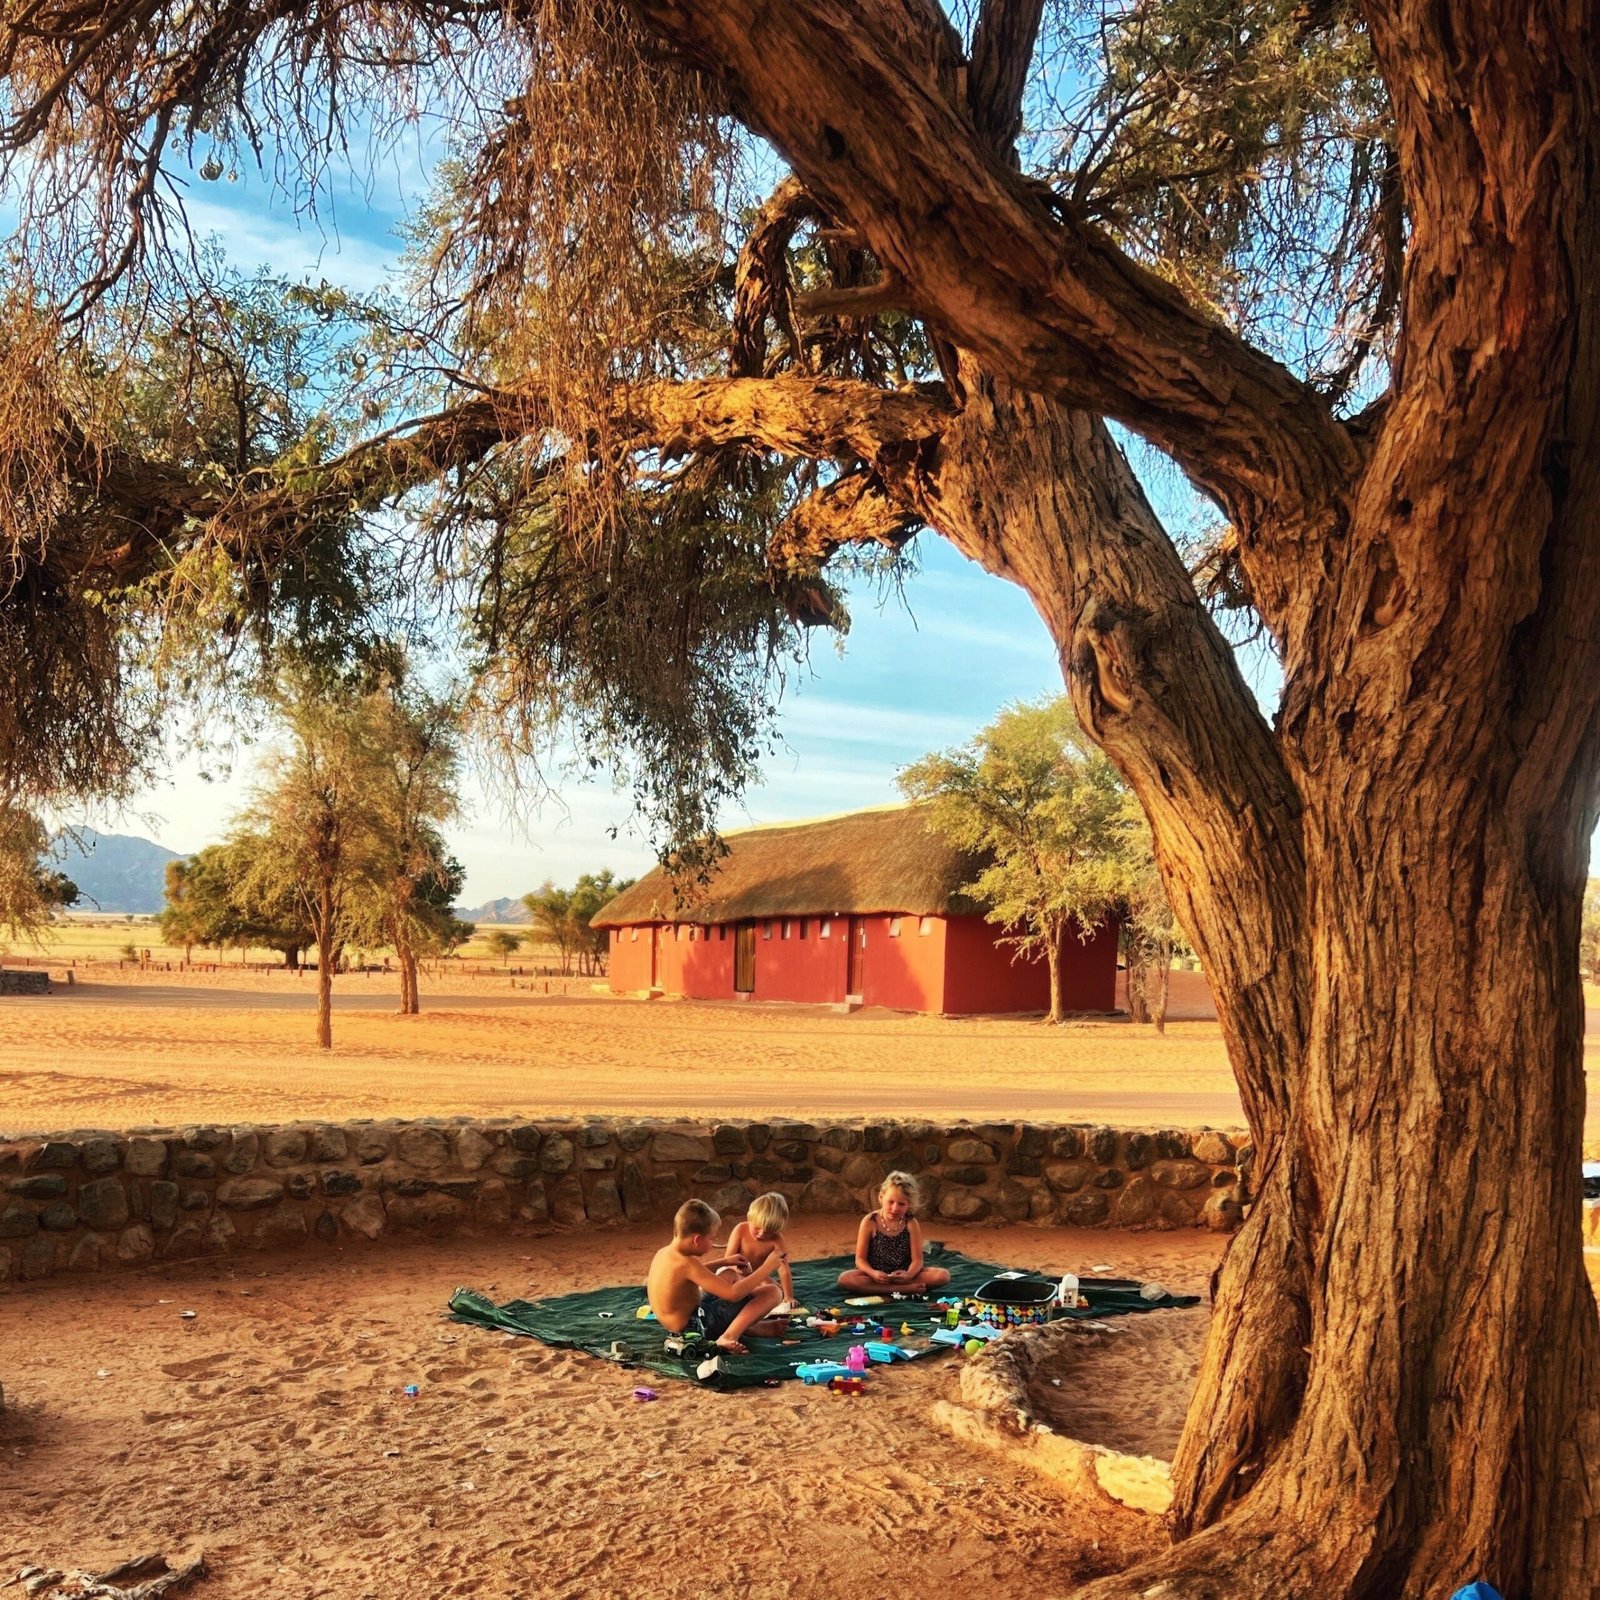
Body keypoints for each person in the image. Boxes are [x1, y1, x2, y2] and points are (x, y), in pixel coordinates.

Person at [647, 1198, 786, 1355]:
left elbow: (689, 1276)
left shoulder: (664, 1253)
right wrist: (767, 1267)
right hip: (695, 1328)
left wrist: (725, 1261)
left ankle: (749, 1327)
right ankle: (728, 1336)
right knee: (773, 1292)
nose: (713, 1243)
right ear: (697, 1240)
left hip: (686, 1320)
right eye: (712, 1238)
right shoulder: (687, 1264)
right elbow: (733, 1294)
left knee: (729, 1274)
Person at [838, 1172, 951, 1294]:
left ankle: (888, 1288)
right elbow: (860, 1259)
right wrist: (873, 1273)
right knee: (845, 1279)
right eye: (890, 1202)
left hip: (903, 1276)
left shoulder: (911, 1223)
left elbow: (917, 1259)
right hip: (875, 1276)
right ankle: (901, 1290)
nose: (895, 1208)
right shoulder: (870, 1221)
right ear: (881, 1198)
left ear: (909, 1205)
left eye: (901, 1204)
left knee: (943, 1275)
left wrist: (908, 1275)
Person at [725, 1193, 796, 1309]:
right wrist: (738, 1269)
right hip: (736, 1274)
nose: (761, 1234)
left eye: (768, 1231)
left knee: (777, 1291)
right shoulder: (740, 1229)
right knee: (726, 1279)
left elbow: (784, 1269)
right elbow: (727, 1260)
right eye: (757, 1227)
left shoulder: (777, 1239)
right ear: (749, 1218)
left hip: (759, 1276)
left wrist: (788, 1296)